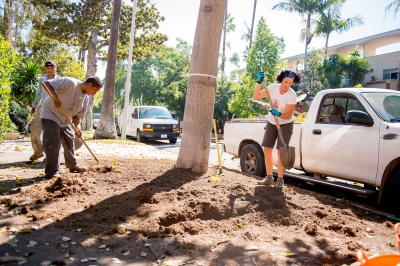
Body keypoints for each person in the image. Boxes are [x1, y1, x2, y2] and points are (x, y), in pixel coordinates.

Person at [41, 76, 103, 178]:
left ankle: (72, 166)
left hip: (66, 119)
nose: (94, 93)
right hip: (50, 114)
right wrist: (55, 97)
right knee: (54, 140)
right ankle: (52, 171)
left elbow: (77, 116)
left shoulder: (86, 99)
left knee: (70, 140)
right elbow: (46, 83)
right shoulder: (70, 82)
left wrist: (77, 128)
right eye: (95, 90)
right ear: (90, 85)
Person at [253, 69, 302, 188]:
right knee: (267, 149)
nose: (287, 85)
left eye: (290, 83)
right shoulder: (273, 88)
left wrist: (279, 114)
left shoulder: (292, 95)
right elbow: (256, 96)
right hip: (271, 121)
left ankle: (280, 180)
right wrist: (259, 82)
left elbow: (289, 114)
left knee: (281, 152)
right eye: (286, 82)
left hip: (286, 123)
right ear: (281, 80)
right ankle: (269, 177)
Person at [29, 60, 60, 161]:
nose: (50, 70)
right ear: (46, 69)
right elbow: (38, 94)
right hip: (42, 109)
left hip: (54, 111)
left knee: (50, 133)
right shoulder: (42, 80)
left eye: (52, 68)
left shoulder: (60, 80)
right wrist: (34, 106)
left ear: (56, 68)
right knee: (34, 129)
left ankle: (49, 156)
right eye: (48, 68)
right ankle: (38, 152)